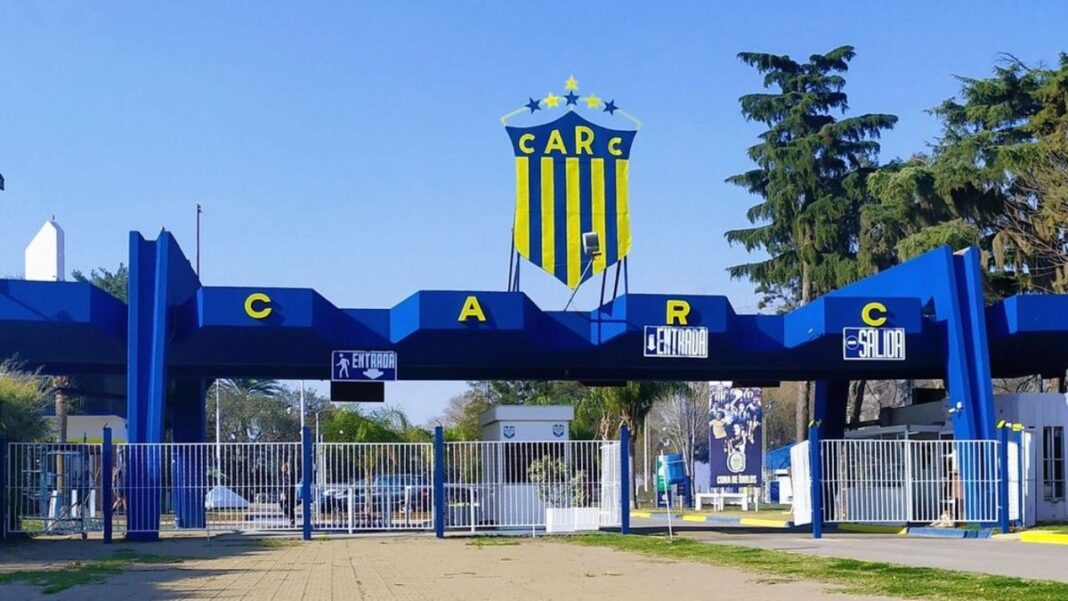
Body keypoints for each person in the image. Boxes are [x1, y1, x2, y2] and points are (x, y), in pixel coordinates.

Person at [279, 461, 295, 527]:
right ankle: (291, 518)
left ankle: (292, 519)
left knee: (289, 506)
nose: (282, 468)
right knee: (284, 504)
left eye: (283, 467)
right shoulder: (283, 476)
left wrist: (285, 494)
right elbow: (282, 485)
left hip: (289, 493)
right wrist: (282, 492)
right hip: (285, 492)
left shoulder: (290, 475)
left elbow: (288, 485)